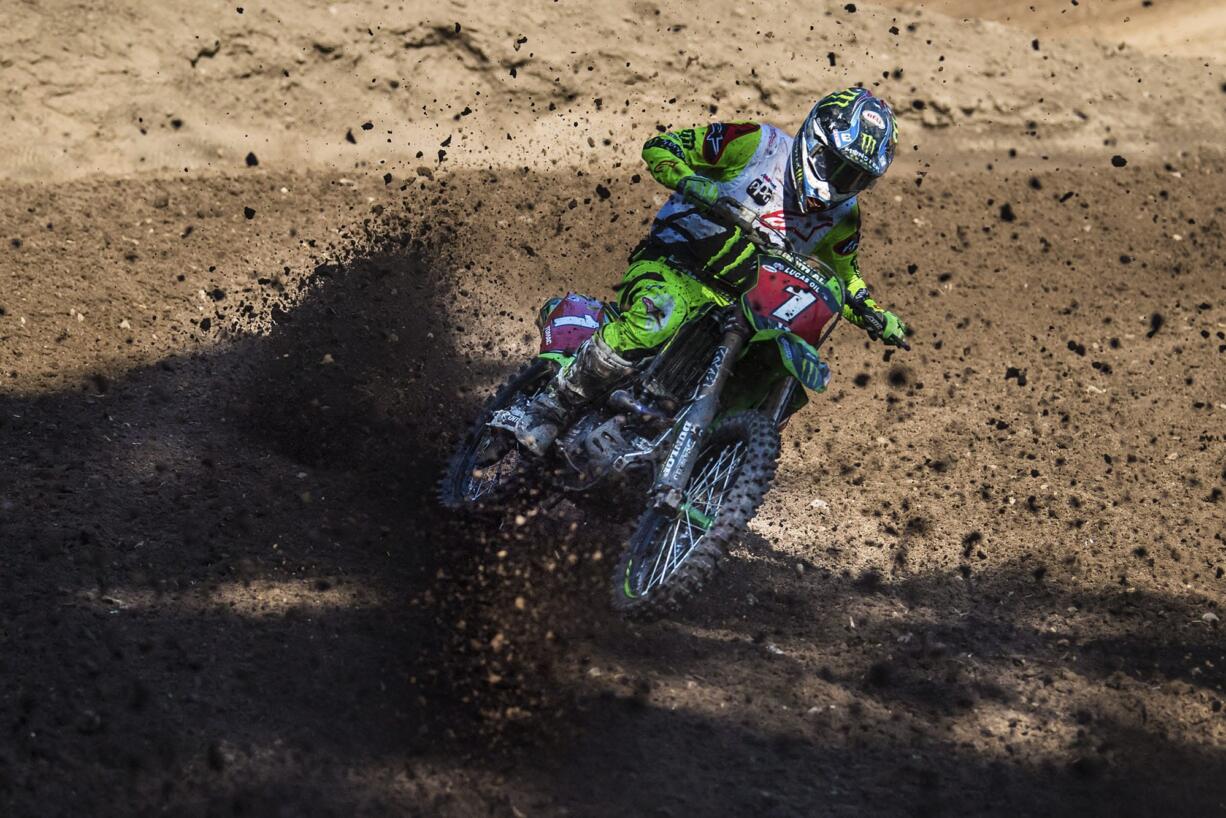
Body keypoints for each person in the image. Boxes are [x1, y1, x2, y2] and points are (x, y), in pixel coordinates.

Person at [516, 87, 909, 456]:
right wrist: (692, 182)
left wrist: (871, 311)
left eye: (856, 176)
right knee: (661, 316)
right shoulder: (758, 144)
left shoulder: (843, 215)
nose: (842, 181)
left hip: (746, 305)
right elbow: (663, 147)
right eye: (836, 165)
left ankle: (705, 463)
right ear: (815, 140)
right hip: (678, 263)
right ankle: (550, 407)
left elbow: (843, 273)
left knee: (770, 367)